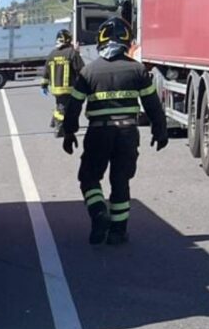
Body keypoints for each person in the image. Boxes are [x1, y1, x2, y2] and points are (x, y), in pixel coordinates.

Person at [58, 18, 170, 246]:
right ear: (127, 40)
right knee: (120, 181)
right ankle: (118, 232)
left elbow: (74, 106)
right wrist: (160, 131)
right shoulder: (137, 69)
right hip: (127, 134)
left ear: (100, 40)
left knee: (89, 178)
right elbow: (152, 105)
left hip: (98, 133)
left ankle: (99, 212)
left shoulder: (89, 71)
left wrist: (69, 133)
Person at [46, 23, 81, 137]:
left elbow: (46, 71)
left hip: (55, 89)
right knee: (64, 109)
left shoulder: (52, 54)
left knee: (60, 105)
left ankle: (54, 122)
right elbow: (80, 69)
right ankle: (59, 129)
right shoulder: (71, 53)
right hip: (68, 89)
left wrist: (43, 85)